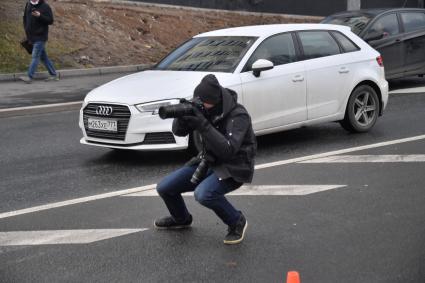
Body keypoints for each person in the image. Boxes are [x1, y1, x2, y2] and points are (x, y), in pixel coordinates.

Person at [155, 74, 257, 245]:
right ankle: (181, 218)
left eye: (204, 103)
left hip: (234, 166)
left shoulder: (238, 115)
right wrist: (183, 117)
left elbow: (228, 150)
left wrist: (203, 124)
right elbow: (179, 132)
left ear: (215, 101)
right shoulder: (204, 108)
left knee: (203, 194)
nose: (201, 105)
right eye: (198, 101)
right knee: (164, 188)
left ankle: (236, 221)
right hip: (208, 160)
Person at [20, 0, 58, 84]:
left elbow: (50, 20)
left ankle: (29, 76)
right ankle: (54, 75)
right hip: (31, 36)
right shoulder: (28, 4)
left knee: (35, 56)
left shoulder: (45, 6)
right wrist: (26, 30)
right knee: (43, 57)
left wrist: (40, 15)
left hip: (40, 36)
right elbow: (25, 18)